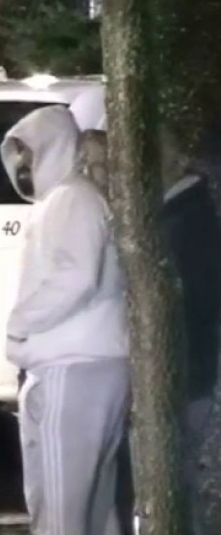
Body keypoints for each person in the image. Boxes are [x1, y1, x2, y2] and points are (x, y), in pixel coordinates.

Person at [0, 105, 131, 535]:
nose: (22, 165)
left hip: (70, 369)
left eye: (28, 153)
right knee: (92, 510)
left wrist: (20, 323)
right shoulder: (72, 199)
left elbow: (76, 277)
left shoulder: (71, 199)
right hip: (88, 365)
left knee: (60, 512)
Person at [160, 126, 221, 534]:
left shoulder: (184, 220)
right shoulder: (192, 215)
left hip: (188, 371)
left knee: (182, 479)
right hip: (195, 369)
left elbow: (196, 300)